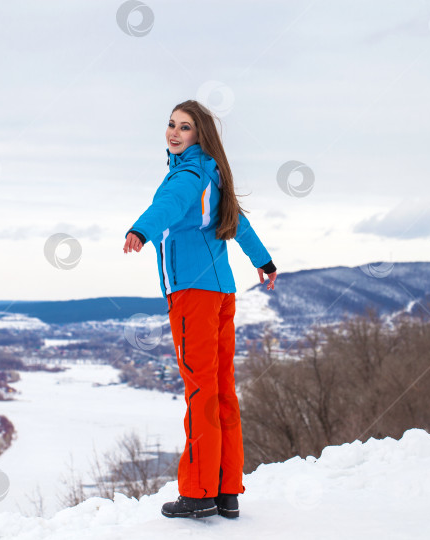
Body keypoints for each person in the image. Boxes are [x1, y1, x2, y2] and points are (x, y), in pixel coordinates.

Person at [122, 99, 277, 519]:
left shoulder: (188, 174)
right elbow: (239, 224)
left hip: (193, 295)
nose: (174, 133)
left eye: (184, 127)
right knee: (222, 388)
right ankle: (227, 489)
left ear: (199, 135)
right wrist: (263, 261)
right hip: (222, 292)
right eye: (171, 125)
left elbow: (168, 205)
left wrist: (141, 229)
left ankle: (197, 491)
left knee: (200, 390)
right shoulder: (213, 174)